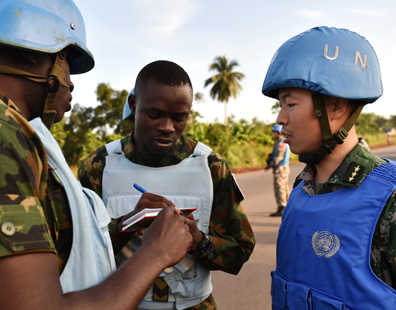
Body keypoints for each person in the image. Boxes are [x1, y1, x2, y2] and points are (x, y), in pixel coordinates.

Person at [0, 1, 194, 309]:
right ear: (33, 50)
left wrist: (126, 225)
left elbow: (51, 244)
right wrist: (157, 253)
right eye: (68, 61)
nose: (71, 81)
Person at [78, 60, 255, 310]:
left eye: (179, 117)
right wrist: (128, 224)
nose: (168, 128)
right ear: (133, 105)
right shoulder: (100, 166)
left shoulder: (211, 166)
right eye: (155, 114)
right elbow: (77, 251)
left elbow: (240, 252)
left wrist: (198, 241)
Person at [262, 26, 396, 309]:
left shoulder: (389, 201)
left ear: (335, 108)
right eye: (279, 104)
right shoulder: (301, 191)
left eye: (290, 104)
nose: (280, 118)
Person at [264, 124, 291, 217]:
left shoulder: (281, 144)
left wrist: (269, 165)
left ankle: (282, 207)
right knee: (284, 187)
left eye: (275, 132)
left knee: (280, 188)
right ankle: (287, 206)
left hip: (280, 169)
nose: (273, 134)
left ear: (279, 133)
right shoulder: (280, 142)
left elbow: (278, 158)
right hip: (282, 168)